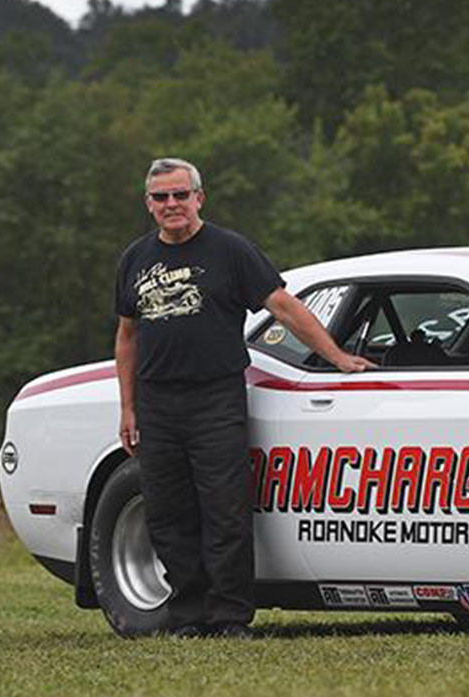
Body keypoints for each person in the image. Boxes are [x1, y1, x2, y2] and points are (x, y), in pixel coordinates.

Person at [113, 157, 372, 638]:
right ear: (149, 205)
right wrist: (127, 406)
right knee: (168, 514)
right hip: (156, 402)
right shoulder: (135, 258)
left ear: (199, 198)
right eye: (161, 197)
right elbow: (127, 336)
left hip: (216, 398)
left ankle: (230, 617)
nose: (172, 204)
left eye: (180, 195)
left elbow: (284, 306)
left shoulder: (230, 250)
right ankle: (188, 617)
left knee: (224, 510)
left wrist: (336, 356)